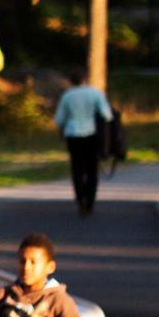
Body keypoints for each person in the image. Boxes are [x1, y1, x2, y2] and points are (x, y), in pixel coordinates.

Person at [53, 76, 115, 217]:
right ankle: (90, 201)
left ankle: (80, 199)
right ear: (85, 80)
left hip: (73, 135)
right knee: (92, 169)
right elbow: (107, 115)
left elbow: (59, 119)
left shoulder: (67, 95)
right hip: (91, 134)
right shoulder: (95, 93)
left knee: (77, 169)